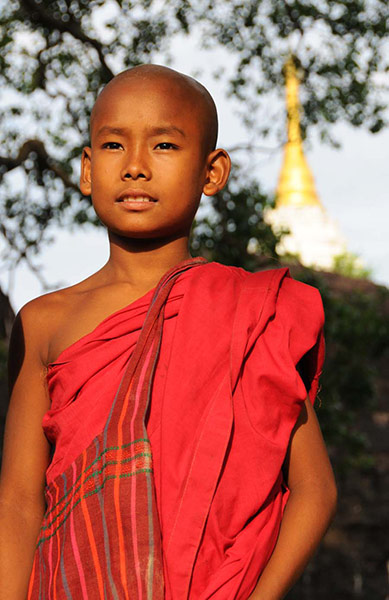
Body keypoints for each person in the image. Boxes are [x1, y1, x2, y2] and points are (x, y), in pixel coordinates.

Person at [0, 64, 337, 600]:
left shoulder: (248, 313)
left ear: (212, 172)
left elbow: (314, 490)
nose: (134, 167)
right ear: (87, 170)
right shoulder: (44, 322)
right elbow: (18, 502)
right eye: (113, 146)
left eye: (163, 146)